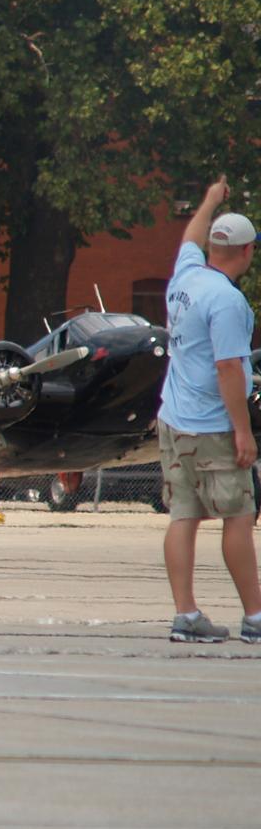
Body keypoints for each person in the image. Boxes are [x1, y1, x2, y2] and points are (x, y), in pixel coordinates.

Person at [157, 176, 260, 643]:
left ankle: (186, 615)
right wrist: (243, 432)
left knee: (184, 515)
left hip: (174, 419)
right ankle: (255, 617)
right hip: (212, 424)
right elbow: (228, 370)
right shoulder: (228, 301)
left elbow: (189, 238)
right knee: (239, 515)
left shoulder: (186, 277)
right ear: (247, 252)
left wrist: (208, 201)